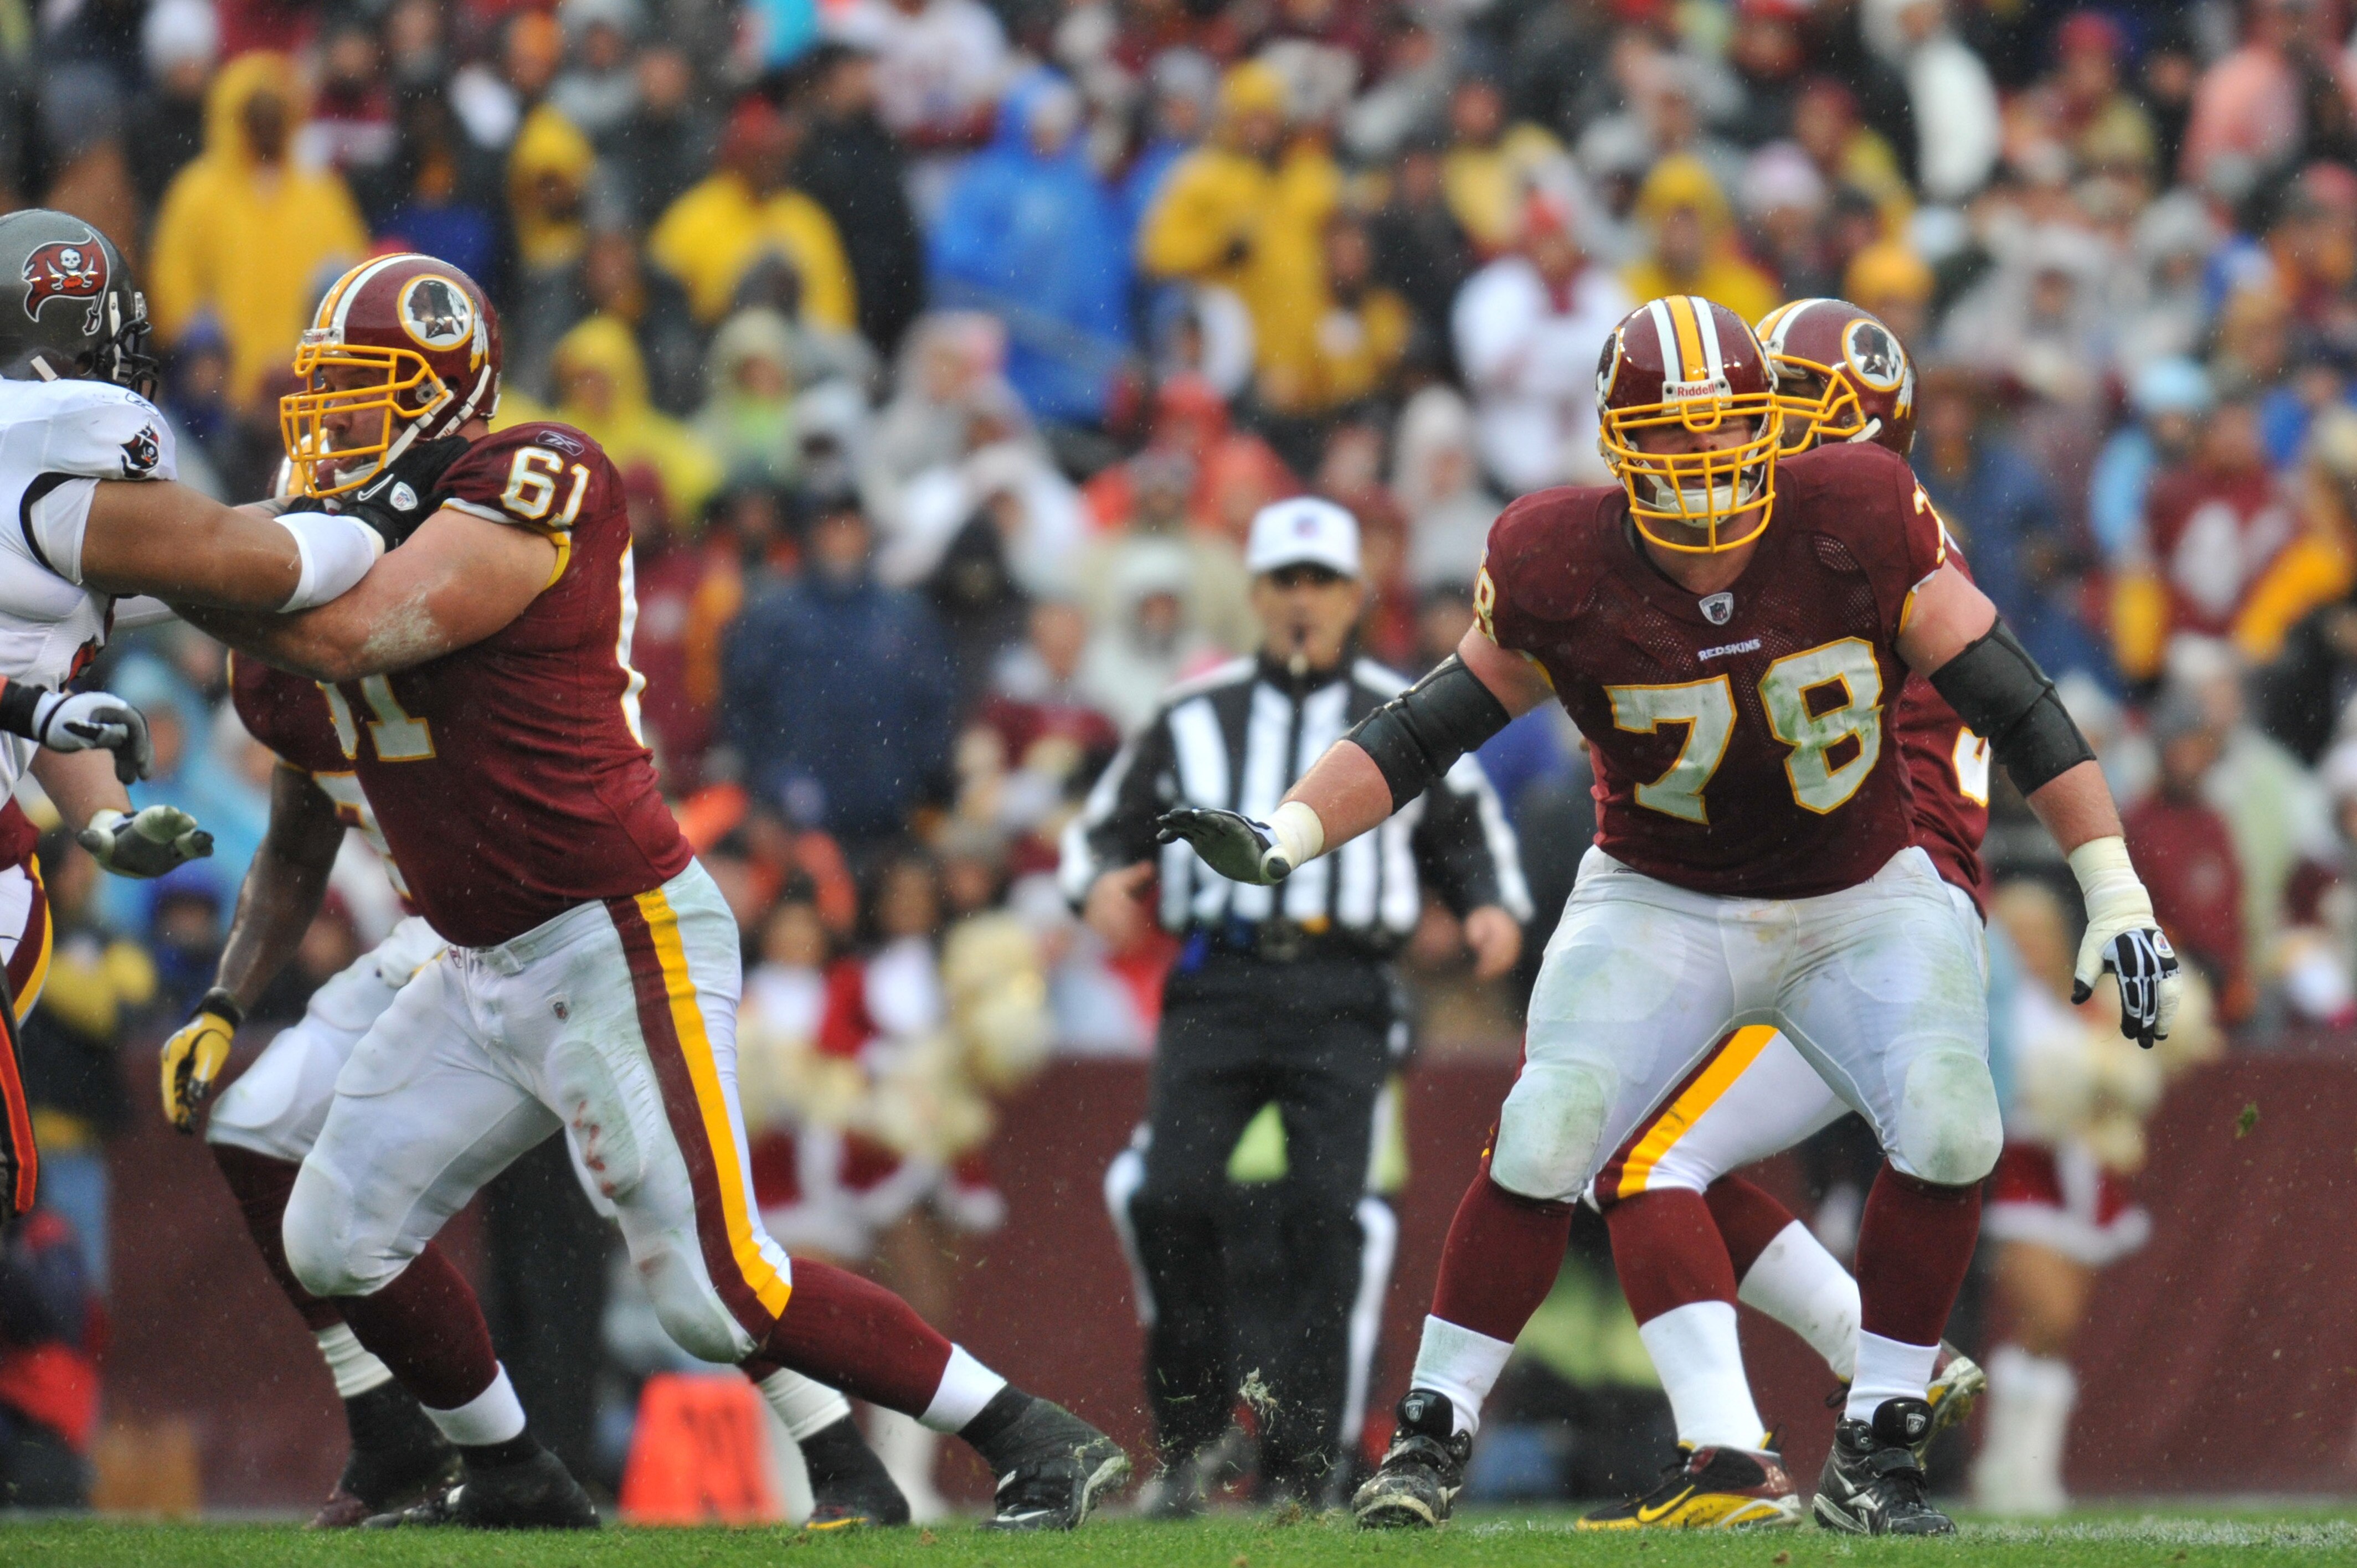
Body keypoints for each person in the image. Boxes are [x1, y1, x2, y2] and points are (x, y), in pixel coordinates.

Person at [1160, 296, 2181, 1537]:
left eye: (1730, 437)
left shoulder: (1857, 515)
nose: (1706, 475)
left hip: (1859, 891)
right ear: (1614, 446)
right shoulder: (1557, 557)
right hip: (1662, 892)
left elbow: (2015, 700)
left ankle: (1879, 1439)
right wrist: (1288, 831)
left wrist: (2111, 881)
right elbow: (1428, 725)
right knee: (1549, 1130)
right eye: (1674, 445)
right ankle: (1429, 1437)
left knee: (1954, 1127)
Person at [179, 252, 1128, 1531]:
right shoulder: (309, 559)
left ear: (447, 397)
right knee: (334, 1238)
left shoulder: (533, 477)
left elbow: (361, 631)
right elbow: (303, 798)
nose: (332, 419)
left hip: (614, 935)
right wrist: (232, 994)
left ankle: (1033, 1438)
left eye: (369, 388)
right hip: (473, 960)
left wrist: (168, 568)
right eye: (326, 390)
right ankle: (513, 1474)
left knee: (713, 1291)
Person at [163, 650, 908, 1528]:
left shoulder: (435, 628)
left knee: (672, 1231)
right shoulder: (296, 675)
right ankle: (395, 1421)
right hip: (439, 947)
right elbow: (293, 849)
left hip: (547, 935)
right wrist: (224, 1002)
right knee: (255, 1124)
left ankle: (833, 1446)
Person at [1547, 298, 1986, 1530]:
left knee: (1639, 1158)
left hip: (1858, 914)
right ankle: (1867, 1359)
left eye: (1781, 409)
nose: (1741, 438)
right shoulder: (1873, 540)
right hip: (1872, 901)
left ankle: (1735, 1457)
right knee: (1624, 1140)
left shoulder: (1848, 546)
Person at [1062, 496, 1529, 1510]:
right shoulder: (1194, 713)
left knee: (1327, 1217)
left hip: (1343, 986)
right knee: (1169, 1194)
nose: (1304, 600)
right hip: (1218, 982)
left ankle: (1304, 1465)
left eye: (1322, 581)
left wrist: (1489, 905)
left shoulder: (1397, 706)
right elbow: (1105, 825)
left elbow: (1464, 822)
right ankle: (1193, 1438)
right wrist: (1098, 878)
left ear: (1358, 597)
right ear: (1257, 594)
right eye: (1286, 581)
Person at [0, 209, 418, 1222]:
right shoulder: (52, 451)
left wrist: (96, 817)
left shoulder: (40, 511)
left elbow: (45, 654)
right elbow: (258, 566)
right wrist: (389, 507)